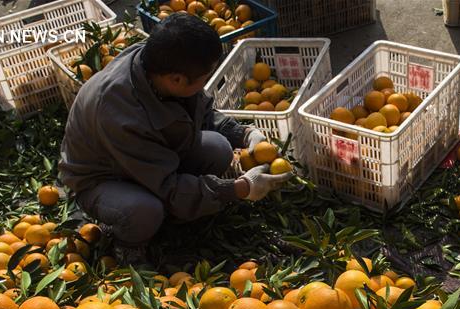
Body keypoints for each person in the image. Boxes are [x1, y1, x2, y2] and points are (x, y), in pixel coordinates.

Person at [58, 13, 292, 264]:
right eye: (204, 78)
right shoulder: (120, 112)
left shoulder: (158, 63)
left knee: (218, 148)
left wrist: (243, 133)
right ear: (177, 79)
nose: (204, 84)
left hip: (148, 159)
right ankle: (128, 243)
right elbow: (168, 186)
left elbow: (200, 109)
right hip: (103, 178)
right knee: (143, 211)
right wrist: (239, 188)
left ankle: (178, 213)